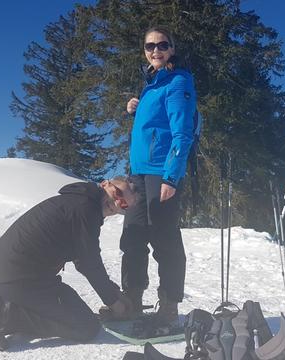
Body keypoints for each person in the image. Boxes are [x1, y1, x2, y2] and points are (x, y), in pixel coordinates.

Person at [0, 176, 138, 351]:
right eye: (117, 193)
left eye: (123, 205)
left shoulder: (78, 202)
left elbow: (82, 258)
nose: (116, 203)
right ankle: (3, 313)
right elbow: (88, 263)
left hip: (15, 275)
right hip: (20, 279)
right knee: (85, 327)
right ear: (105, 184)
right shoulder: (85, 209)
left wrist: (112, 292)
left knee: (73, 315)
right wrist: (114, 302)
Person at [118, 26, 197, 325]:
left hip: (160, 173)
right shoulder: (150, 85)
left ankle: (168, 305)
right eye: (150, 46)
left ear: (171, 49)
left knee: (165, 240)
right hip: (137, 175)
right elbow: (152, 126)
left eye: (162, 45)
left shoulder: (178, 81)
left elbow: (182, 133)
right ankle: (133, 300)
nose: (156, 50)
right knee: (133, 238)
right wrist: (133, 108)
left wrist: (171, 177)